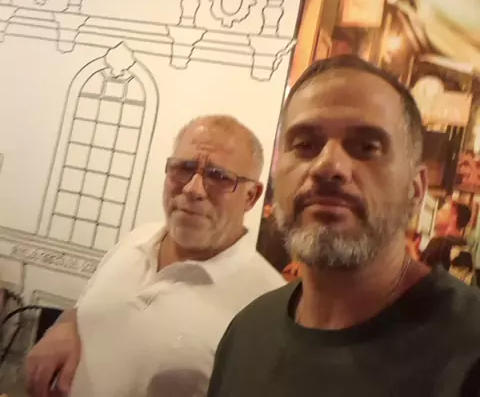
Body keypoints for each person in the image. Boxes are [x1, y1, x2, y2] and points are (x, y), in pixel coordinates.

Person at [206, 55, 480, 397]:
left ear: (415, 188)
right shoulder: (247, 334)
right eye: (305, 145)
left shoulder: (469, 351)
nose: (327, 165)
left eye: (366, 147)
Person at [25, 114, 285, 397]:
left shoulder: (269, 308)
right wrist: (66, 325)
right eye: (184, 168)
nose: (193, 188)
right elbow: (88, 306)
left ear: (251, 196)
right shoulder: (137, 239)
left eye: (219, 176)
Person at [421, 200, 475, 285]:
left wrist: (411, 248)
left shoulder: (439, 243)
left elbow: (420, 274)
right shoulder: (466, 248)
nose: (438, 213)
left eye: (443, 211)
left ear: (454, 217)